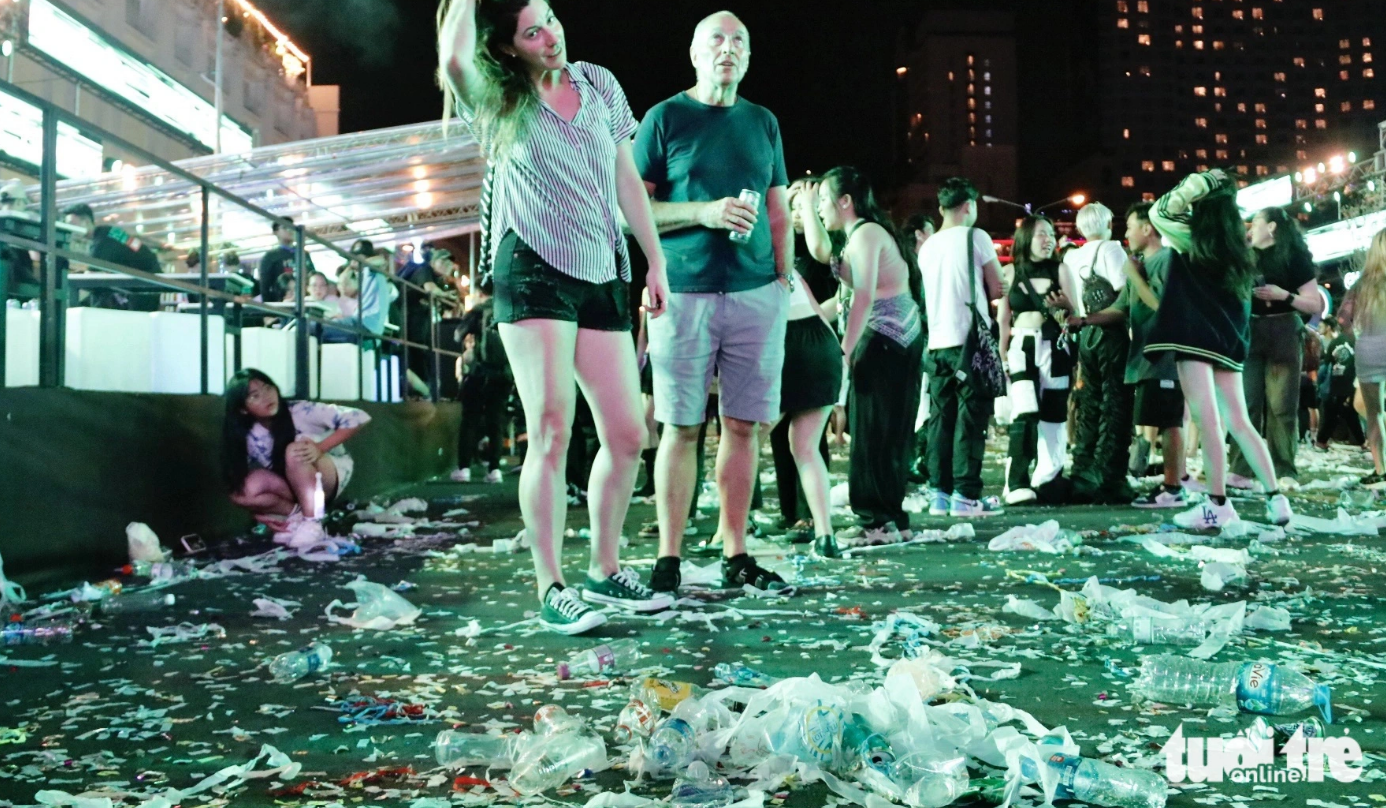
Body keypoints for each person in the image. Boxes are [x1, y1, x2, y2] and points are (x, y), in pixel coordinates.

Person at [439, 0, 674, 633]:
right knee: (550, 429)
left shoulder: (598, 82)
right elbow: (455, 57)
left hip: (601, 269)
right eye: (532, 30)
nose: (550, 35)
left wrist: (653, 260)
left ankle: (604, 567)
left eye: (551, 19)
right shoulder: (499, 98)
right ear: (510, 47)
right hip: (533, 265)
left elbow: (626, 176)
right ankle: (552, 586)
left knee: (628, 434)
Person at [633, 11, 792, 595]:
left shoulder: (763, 122)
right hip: (684, 294)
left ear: (748, 58)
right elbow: (635, 211)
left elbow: (779, 210)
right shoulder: (665, 118)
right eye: (717, 40)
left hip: (756, 295)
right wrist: (701, 212)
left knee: (744, 427)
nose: (729, 49)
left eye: (740, 41)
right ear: (695, 53)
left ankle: (735, 552)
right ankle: (668, 558)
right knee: (679, 426)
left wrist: (783, 278)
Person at [1144, 169, 1293, 528]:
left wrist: (1200, 182)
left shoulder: (1191, 237)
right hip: (1228, 342)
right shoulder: (1237, 248)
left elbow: (1158, 212)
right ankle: (1276, 499)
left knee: (1207, 420)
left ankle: (1216, 503)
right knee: (1240, 422)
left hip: (1194, 338)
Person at [800, 167, 921, 548]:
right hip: (892, 340)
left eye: (823, 201)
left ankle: (877, 520)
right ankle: (889, 518)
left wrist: (844, 353)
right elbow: (844, 295)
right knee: (882, 432)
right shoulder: (859, 236)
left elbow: (865, 296)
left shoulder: (867, 233)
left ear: (846, 201)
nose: (820, 209)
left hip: (887, 340)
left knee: (874, 433)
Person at [1077, 202, 1189, 508]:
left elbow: (1162, 306)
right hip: (1144, 355)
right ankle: (1170, 483)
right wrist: (1083, 320)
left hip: (1164, 352)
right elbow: (1120, 307)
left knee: (1169, 420)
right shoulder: (1138, 262)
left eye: (1129, 226)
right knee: (1158, 418)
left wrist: (1136, 276)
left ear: (1147, 229)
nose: (1124, 233)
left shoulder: (1168, 260)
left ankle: (1173, 487)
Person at [919, 177, 1005, 517]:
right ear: (968, 206)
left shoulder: (928, 247)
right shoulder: (977, 237)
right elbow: (996, 287)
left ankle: (939, 494)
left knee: (941, 420)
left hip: (937, 344)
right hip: (970, 343)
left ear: (941, 209)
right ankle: (966, 496)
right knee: (970, 420)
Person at [1225, 207, 1322, 487]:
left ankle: (1284, 470)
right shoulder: (1245, 256)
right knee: (1247, 404)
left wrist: (1285, 295)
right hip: (1249, 330)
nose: (1249, 228)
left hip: (1283, 330)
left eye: (1255, 223)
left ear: (1272, 227)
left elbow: (1314, 303)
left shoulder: (1294, 257)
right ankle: (1241, 470)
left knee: (1282, 407)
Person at [223, 369, 370, 547]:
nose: (267, 397)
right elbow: (236, 480)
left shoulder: (300, 410)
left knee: (296, 449)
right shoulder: (248, 433)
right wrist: (259, 515)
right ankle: (296, 518)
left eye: (268, 388)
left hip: (327, 475)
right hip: (292, 483)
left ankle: (313, 522)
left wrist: (320, 448)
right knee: (241, 492)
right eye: (255, 395)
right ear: (242, 409)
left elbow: (359, 417)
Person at [999, 215, 1077, 505]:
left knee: (1054, 414)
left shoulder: (1062, 270)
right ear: (1025, 239)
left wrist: (1065, 307)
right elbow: (1003, 320)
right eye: (1041, 234)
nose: (1048, 240)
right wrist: (1002, 353)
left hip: (1055, 347)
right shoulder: (1009, 273)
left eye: (1051, 234)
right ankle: (1015, 482)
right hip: (1022, 346)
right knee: (1025, 410)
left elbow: (1075, 314)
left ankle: (1049, 477)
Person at [1063, 202, 1135, 503]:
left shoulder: (1070, 257)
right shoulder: (1111, 250)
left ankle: (1083, 472)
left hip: (1085, 336)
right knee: (1116, 404)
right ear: (1108, 224)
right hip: (1111, 335)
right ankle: (1110, 477)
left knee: (1088, 406)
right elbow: (1124, 297)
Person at [1340, 229, 1386, 485]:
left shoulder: (1362, 284)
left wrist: (1358, 331)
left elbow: (1343, 319)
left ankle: (1381, 469)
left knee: (1374, 412)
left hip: (1369, 349)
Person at [62, 203, 163, 311]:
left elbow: (91, 276)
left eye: (72, 224)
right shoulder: (109, 232)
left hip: (143, 288)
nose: (70, 229)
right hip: (149, 284)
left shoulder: (101, 242)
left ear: (85, 221)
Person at [1316, 318, 1364, 451]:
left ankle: (1322, 441)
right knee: (1349, 413)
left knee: (1339, 414)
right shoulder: (1358, 341)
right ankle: (1363, 442)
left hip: (1337, 382)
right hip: (1352, 382)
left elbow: (1327, 366)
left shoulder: (1334, 343)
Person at [258, 218, 316, 304]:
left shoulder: (303, 253)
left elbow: (312, 275)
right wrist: (268, 311)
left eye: (291, 227)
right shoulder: (270, 257)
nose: (289, 230)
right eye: (285, 227)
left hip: (305, 302)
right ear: (276, 232)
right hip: (282, 303)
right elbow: (265, 286)